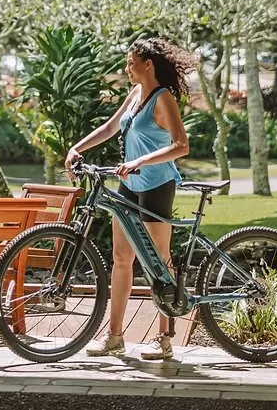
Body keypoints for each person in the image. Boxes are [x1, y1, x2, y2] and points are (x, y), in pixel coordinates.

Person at [64, 37, 193, 361]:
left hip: (156, 185)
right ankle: (115, 336)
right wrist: (78, 147)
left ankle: (164, 338)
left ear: (148, 65)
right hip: (129, 186)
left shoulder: (163, 98)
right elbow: (111, 127)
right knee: (121, 258)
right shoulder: (136, 94)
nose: (127, 69)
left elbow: (181, 146)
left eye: (131, 63)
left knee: (160, 261)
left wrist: (140, 161)